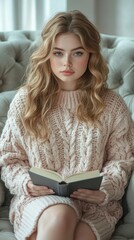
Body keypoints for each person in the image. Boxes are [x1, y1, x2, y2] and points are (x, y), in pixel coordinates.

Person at [0, 10, 134, 240]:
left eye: (77, 53)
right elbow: (10, 158)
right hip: (38, 202)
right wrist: (26, 184)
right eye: (58, 53)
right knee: (62, 213)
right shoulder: (27, 100)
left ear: (91, 55)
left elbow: (121, 160)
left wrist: (105, 190)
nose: (67, 63)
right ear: (47, 55)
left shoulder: (112, 104)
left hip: (94, 206)